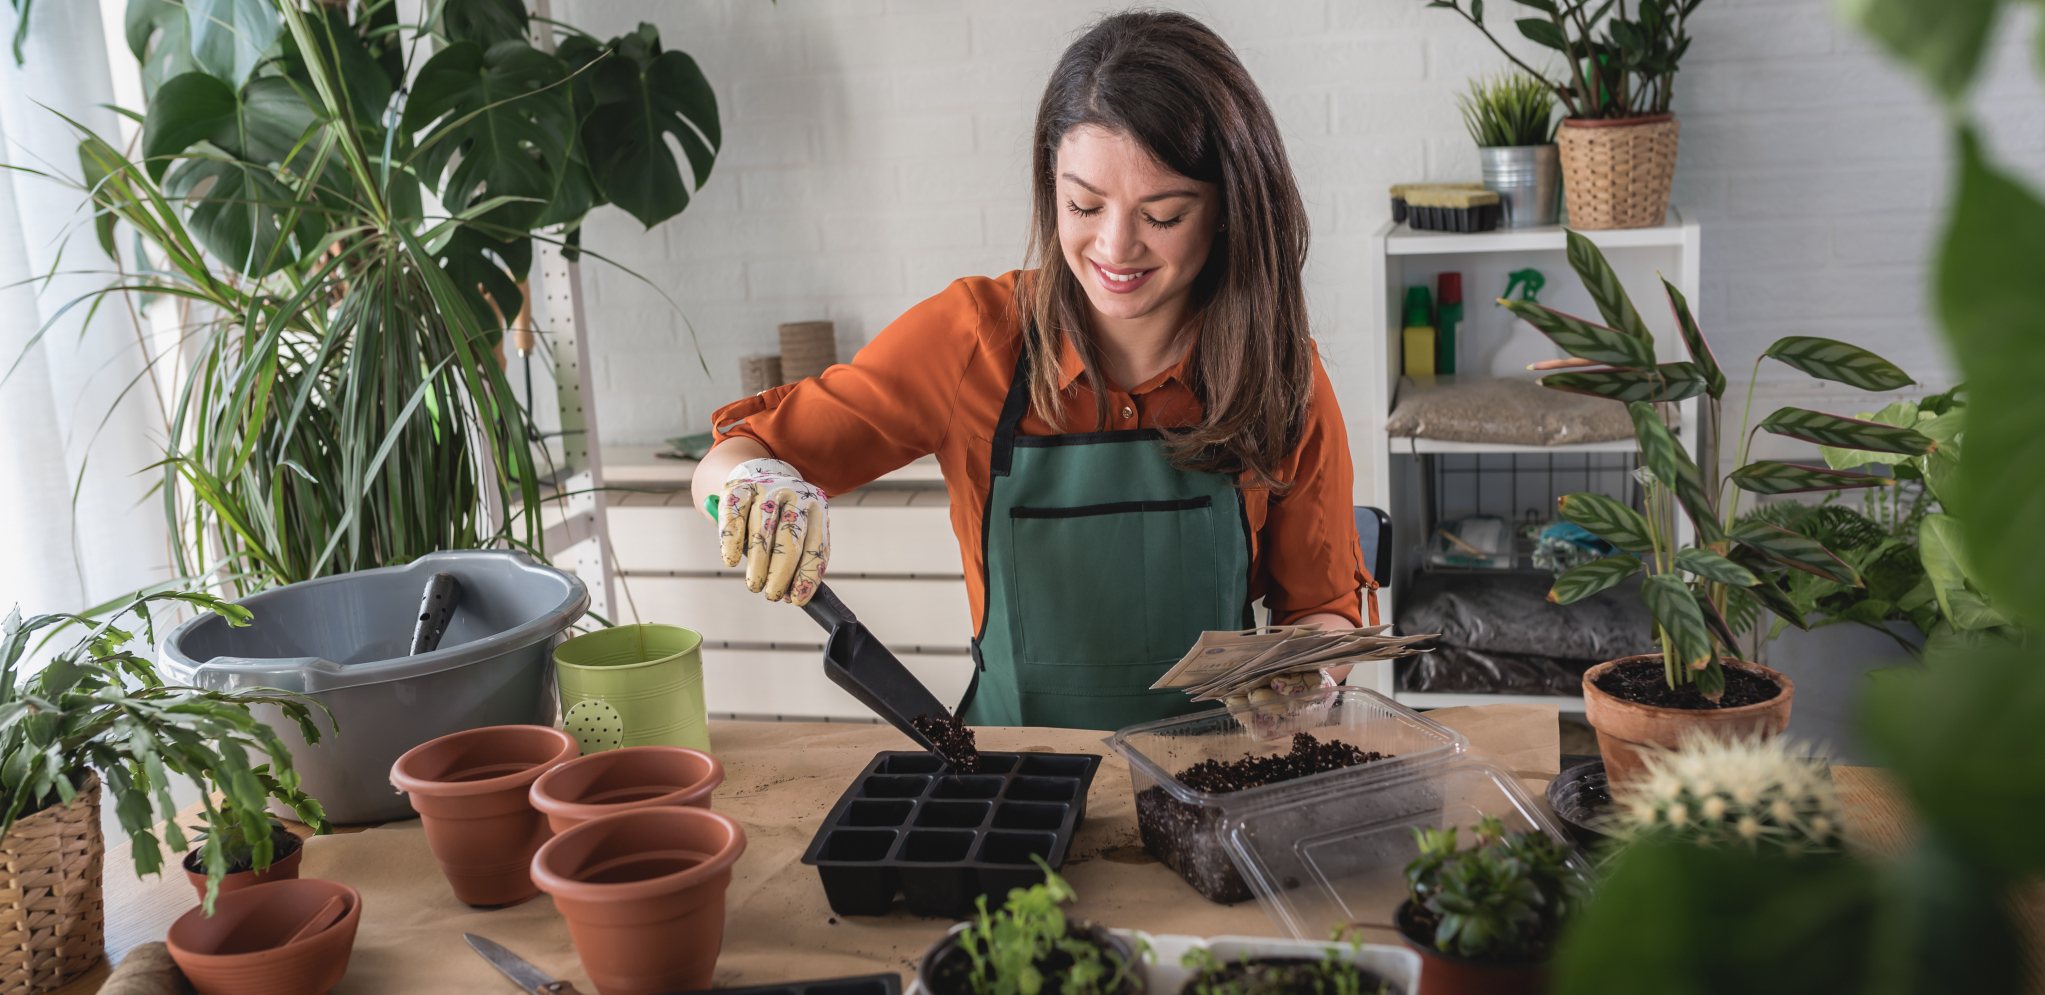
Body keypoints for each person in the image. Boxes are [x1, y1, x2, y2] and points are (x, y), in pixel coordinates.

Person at [693, 10, 1373, 731]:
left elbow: (1322, 610)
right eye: (1082, 203)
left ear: (1230, 209)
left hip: (1204, 778)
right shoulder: (972, 339)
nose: (1115, 247)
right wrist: (748, 484)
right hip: (1014, 777)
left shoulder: (1278, 374)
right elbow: (733, 456)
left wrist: (1305, 674)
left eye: (1164, 215)